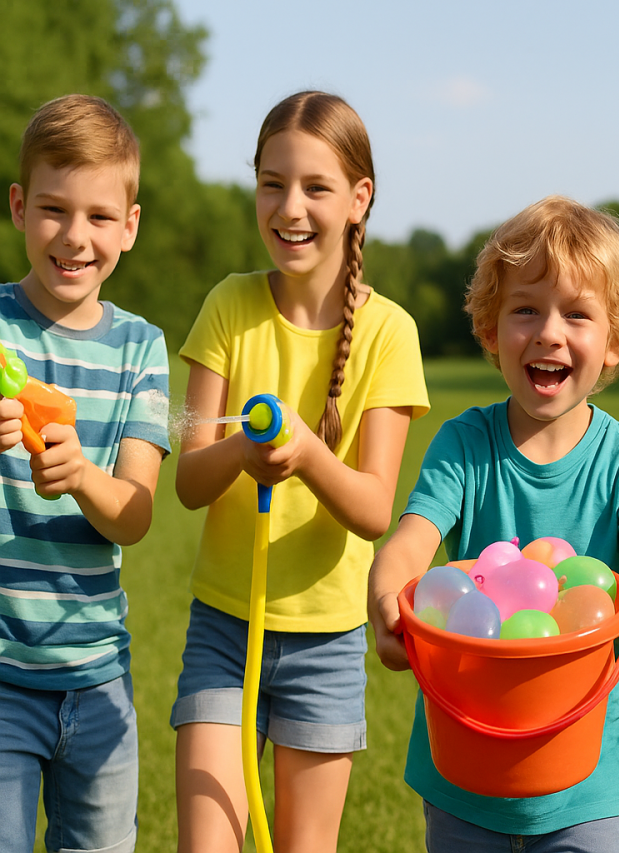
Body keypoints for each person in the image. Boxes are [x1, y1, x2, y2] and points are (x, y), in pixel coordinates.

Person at [368, 195, 619, 852]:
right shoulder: (464, 444)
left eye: (577, 314)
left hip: (586, 780)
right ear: (490, 331)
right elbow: (410, 543)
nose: (548, 332)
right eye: (525, 310)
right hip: (464, 770)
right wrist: (385, 596)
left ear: (614, 342)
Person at [170, 91, 429, 853]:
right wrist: (240, 454)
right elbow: (188, 477)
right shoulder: (227, 305)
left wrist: (310, 455)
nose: (290, 207)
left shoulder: (390, 333)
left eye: (316, 187)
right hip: (224, 626)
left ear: (359, 200)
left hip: (325, 642)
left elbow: (376, 509)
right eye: (272, 183)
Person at [0, 94, 171, 853]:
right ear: (18, 207)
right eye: (53, 208)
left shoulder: (142, 348)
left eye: (100, 216)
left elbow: (134, 513)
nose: (75, 236)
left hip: (99, 675)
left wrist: (81, 477)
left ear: (130, 227)